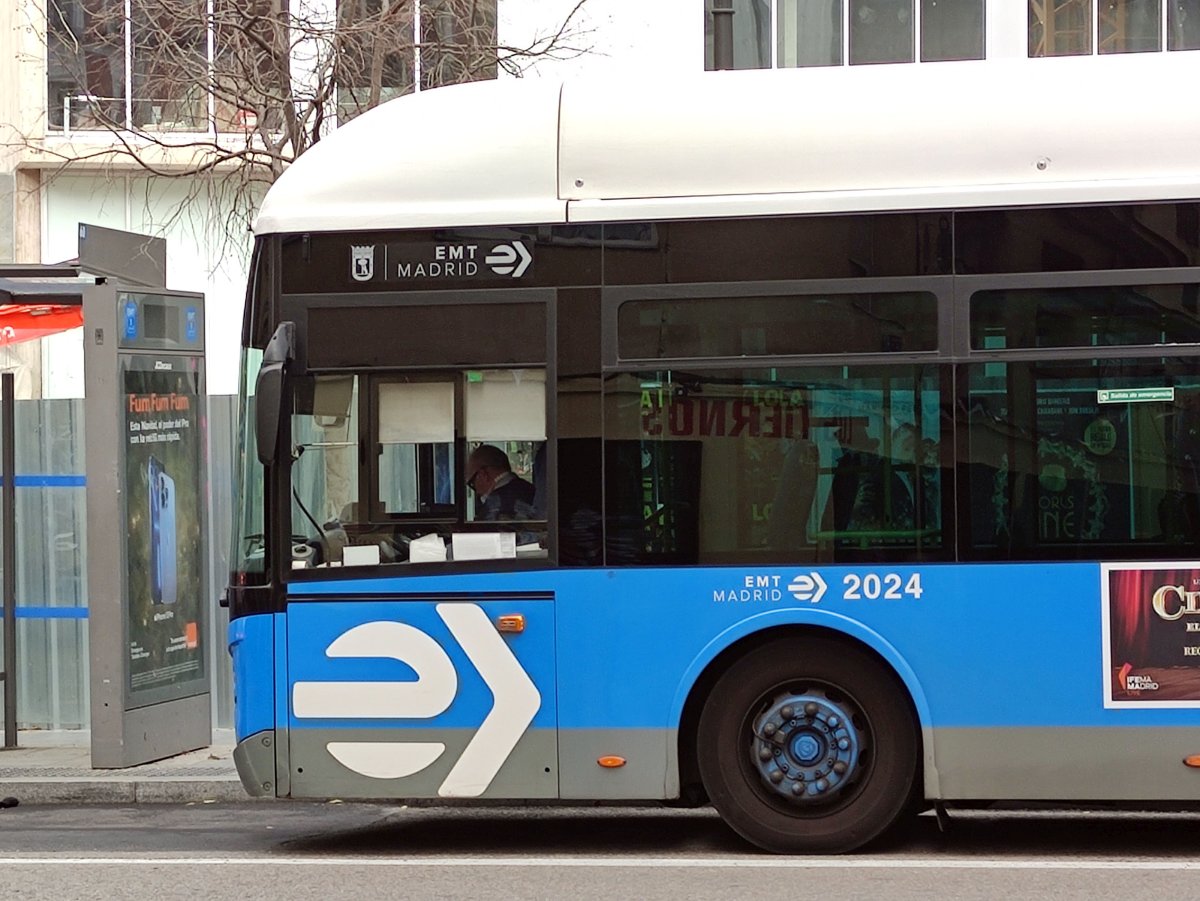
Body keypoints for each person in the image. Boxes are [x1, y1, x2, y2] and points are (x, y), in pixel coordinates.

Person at [466, 443, 536, 521]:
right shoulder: (532, 490)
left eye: (472, 484)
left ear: (483, 475)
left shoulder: (493, 507)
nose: (477, 492)